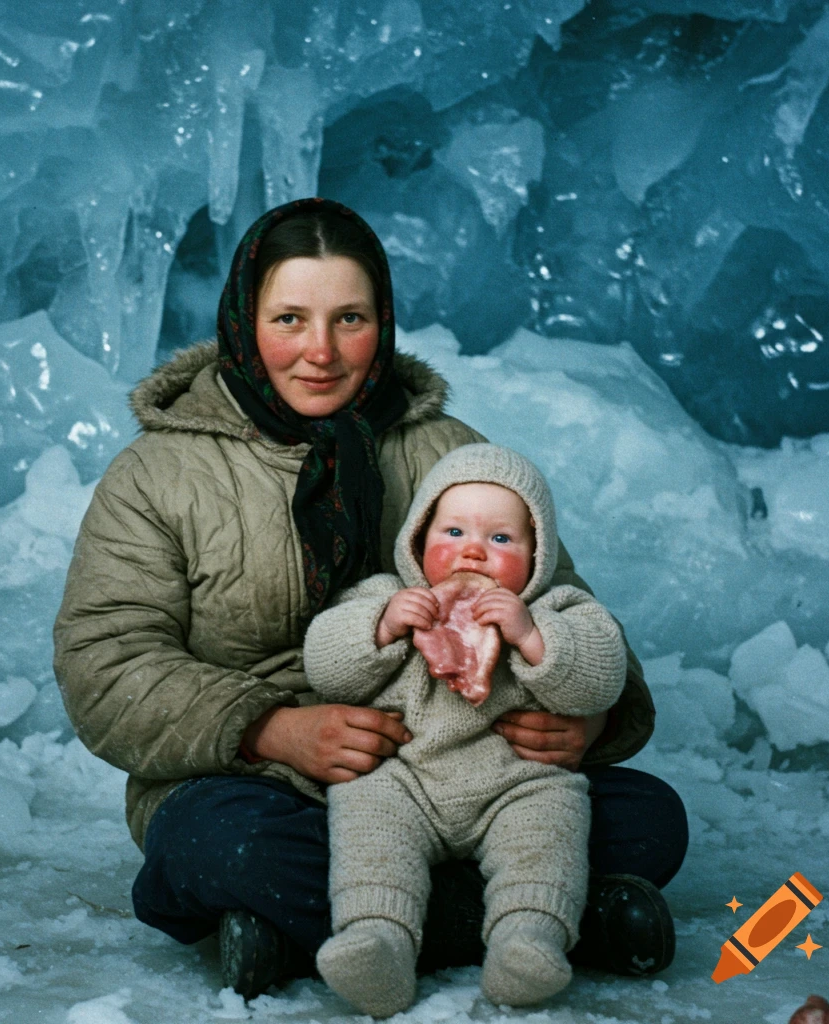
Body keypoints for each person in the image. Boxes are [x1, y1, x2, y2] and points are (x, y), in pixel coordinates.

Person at [52, 197, 687, 999]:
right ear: (245, 323)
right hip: (262, 790)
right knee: (218, 846)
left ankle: (310, 935)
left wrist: (587, 720)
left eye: (348, 319)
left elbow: (569, 607)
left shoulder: (450, 453)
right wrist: (271, 730)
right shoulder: (158, 474)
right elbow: (104, 664)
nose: (320, 352)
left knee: (649, 817)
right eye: (289, 319)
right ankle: (552, 920)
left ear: (382, 321)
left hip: (467, 767)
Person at [306, 443, 628, 1015]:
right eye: (452, 532)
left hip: (516, 783)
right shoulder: (385, 598)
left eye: (502, 539)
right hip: (405, 780)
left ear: (539, 553)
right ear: (417, 540)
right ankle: (377, 940)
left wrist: (532, 637)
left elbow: (601, 680)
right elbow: (325, 668)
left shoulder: (560, 609)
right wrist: (381, 629)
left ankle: (526, 941)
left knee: (551, 825)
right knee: (365, 817)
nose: (473, 551)